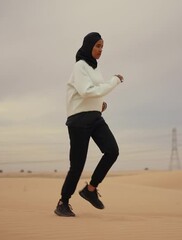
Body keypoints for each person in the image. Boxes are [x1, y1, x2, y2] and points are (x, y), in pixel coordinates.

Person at [54, 32, 124, 217]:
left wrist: (98, 105)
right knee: (77, 165)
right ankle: (63, 202)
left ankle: (90, 190)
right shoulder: (80, 66)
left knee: (112, 151)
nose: (100, 50)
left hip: (94, 118)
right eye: (97, 46)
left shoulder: (94, 68)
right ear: (88, 46)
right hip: (78, 121)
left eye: (102, 47)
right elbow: (85, 91)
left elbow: (92, 93)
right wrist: (114, 81)